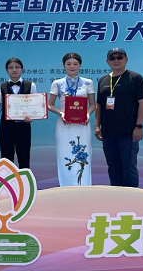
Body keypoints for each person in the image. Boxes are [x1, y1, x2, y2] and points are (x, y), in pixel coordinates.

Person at [95, 48, 143, 187]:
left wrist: (139, 126)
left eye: (119, 57)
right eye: (112, 58)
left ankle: (131, 197)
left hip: (128, 132)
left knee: (128, 167)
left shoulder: (135, 78)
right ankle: (117, 196)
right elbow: (99, 105)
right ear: (107, 61)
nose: (116, 60)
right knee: (113, 167)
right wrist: (96, 125)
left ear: (126, 59)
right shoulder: (103, 80)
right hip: (108, 133)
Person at [48, 53, 96, 186]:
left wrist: (87, 114)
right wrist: (61, 113)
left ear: (80, 65)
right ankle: (66, 187)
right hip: (64, 124)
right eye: (68, 64)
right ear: (63, 65)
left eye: (75, 63)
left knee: (84, 155)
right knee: (65, 154)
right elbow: (49, 105)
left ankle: (83, 187)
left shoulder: (88, 82)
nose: (72, 66)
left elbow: (93, 105)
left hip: (83, 124)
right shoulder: (57, 83)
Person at [0, 57, 36, 169]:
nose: (14, 70)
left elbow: (34, 106)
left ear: (22, 69)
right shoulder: (1, 86)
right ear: (7, 70)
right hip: (6, 126)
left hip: (24, 126)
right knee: (6, 158)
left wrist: (31, 117)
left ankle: (24, 180)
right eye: (11, 67)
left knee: (24, 156)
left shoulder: (31, 85)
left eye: (17, 67)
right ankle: (7, 180)